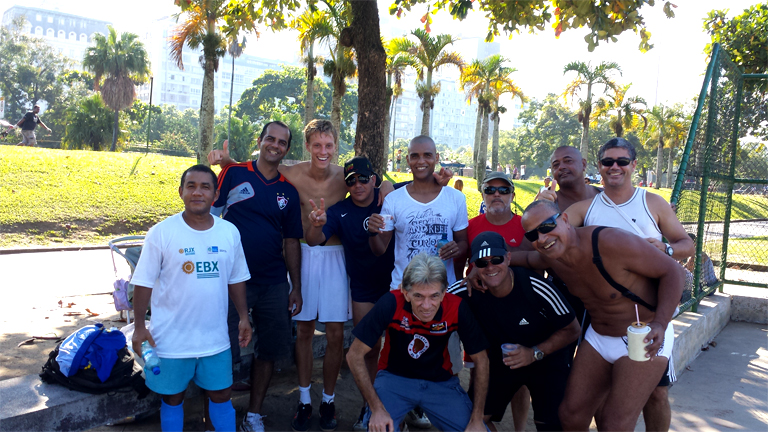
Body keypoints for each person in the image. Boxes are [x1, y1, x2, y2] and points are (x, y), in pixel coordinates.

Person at [209, 119, 383, 431]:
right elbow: (262, 167)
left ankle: (327, 400)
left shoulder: (345, 177)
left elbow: (380, 185)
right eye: (317, 145)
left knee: (334, 334)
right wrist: (228, 163)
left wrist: (421, 185)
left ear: (336, 146)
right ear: (306, 146)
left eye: (329, 145)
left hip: (335, 257)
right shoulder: (292, 172)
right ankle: (304, 400)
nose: (323, 151)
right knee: (303, 331)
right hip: (302, 252)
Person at [516, 200, 685, 431]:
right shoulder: (552, 256)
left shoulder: (609, 242)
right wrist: (485, 264)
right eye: (532, 235)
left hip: (642, 334)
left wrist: (660, 323)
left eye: (546, 227)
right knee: (571, 415)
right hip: (599, 336)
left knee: (614, 424)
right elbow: (526, 259)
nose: (542, 238)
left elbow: (673, 271)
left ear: (565, 220)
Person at [562, 137, 694, 432]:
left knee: (657, 395)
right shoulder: (589, 208)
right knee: (600, 408)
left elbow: (686, 243)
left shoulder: (652, 203)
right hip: (606, 319)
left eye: (622, 161)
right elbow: (553, 227)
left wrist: (667, 250)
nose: (615, 167)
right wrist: (545, 204)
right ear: (599, 167)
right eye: (608, 162)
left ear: (634, 165)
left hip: (648, 315)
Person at [130, 165, 252, 432]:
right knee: (173, 399)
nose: (198, 192)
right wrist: (140, 327)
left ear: (215, 194)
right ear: (181, 192)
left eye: (205, 187)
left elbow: (236, 278)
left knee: (221, 395)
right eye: (191, 186)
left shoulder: (229, 232)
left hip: (215, 340)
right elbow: (143, 283)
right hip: (171, 341)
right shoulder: (161, 233)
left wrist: (243, 317)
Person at [210, 121, 304, 432]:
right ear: (260, 140)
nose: (275, 145)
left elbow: (291, 241)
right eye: (270, 139)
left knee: (269, 351)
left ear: (287, 150)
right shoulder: (234, 173)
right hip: (231, 280)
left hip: (274, 282)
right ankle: (214, 415)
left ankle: (253, 415)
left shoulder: (288, 192)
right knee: (221, 348)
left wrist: (296, 287)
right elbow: (208, 217)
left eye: (282, 142)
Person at [450, 232, 580, 431]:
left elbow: (572, 329)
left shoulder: (535, 286)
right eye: (483, 263)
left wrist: (534, 352)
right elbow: (433, 301)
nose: (491, 267)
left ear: (508, 258)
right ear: (474, 265)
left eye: (496, 259)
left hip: (546, 358)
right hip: (503, 361)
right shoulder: (468, 290)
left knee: (553, 424)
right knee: (469, 421)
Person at [346, 253, 490, 432]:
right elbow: (354, 355)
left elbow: (481, 360)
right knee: (379, 428)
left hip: (440, 383)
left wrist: (476, 418)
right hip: (394, 380)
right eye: (419, 296)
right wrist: (376, 408)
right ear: (405, 293)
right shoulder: (391, 302)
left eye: (434, 296)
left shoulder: (457, 307)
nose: (427, 305)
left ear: (444, 292)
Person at [304, 156, 396, 430]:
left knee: (400, 347)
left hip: (395, 285)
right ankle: (368, 407)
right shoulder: (339, 210)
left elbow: (415, 187)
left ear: (374, 180)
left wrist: (390, 185)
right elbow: (313, 240)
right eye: (351, 181)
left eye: (363, 179)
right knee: (369, 349)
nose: (357, 185)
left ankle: (409, 404)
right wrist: (316, 224)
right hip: (363, 289)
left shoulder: (389, 199)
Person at [455, 171, 529, 430]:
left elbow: (538, 260)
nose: (497, 195)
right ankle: (482, 422)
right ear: (483, 195)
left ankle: (520, 428)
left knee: (521, 375)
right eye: (490, 190)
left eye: (503, 190)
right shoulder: (471, 225)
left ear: (511, 194)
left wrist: (499, 259)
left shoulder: (525, 224)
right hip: (482, 307)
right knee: (478, 366)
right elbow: (461, 263)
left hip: (519, 308)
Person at [368, 135, 469, 290]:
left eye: (427, 155)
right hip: (404, 288)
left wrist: (457, 249)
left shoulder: (455, 198)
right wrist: (373, 232)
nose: (421, 161)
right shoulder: (394, 200)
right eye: (415, 156)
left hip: (442, 289)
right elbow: (379, 250)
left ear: (436, 158)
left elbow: (463, 242)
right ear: (408, 160)